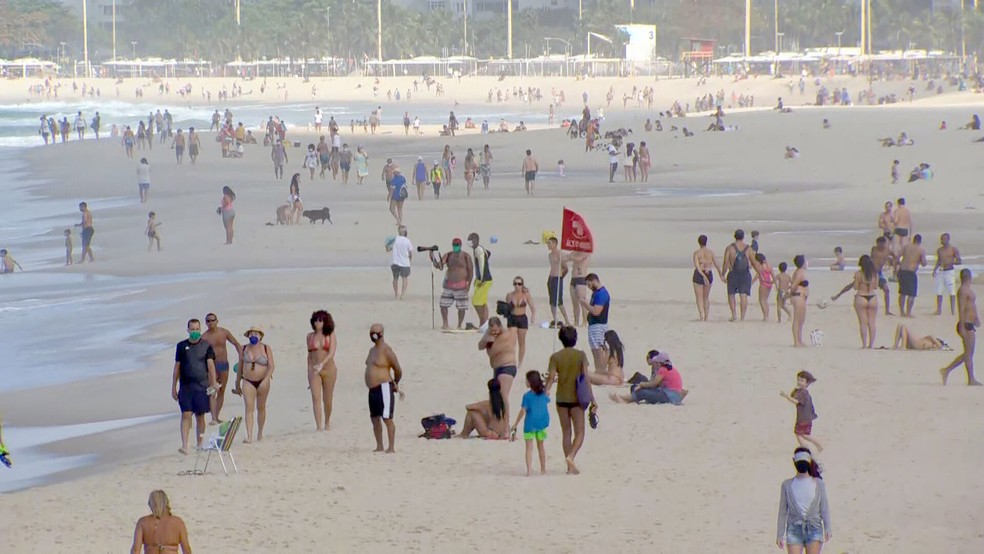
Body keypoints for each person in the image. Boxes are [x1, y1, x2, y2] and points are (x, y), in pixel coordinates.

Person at [545, 326, 596, 475]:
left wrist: (546, 390)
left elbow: (552, 376)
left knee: (566, 432)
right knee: (580, 432)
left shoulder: (555, 357)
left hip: (561, 398)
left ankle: (569, 467)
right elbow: (586, 377)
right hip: (576, 398)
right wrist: (592, 399)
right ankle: (571, 456)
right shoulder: (580, 355)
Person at [172, 318, 217, 454]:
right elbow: (177, 367)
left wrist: (213, 384)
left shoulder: (206, 346)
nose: (195, 332)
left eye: (197, 329)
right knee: (186, 414)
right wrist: (173, 386)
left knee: (200, 416)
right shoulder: (181, 346)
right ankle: (185, 445)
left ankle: (200, 444)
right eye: (192, 329)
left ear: (200, 330)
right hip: (186, 386)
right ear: (188, 330)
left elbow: (210, 366)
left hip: (201, 386)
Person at [776, 448, 832, 553]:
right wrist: (780, 534)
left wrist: (828, 527)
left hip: (814, 528)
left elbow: (824, 507)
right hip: (794, 530)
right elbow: (782, 511)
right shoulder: (786, 485)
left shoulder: (819, 483)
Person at [364, 324, 404, 452]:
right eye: (371, 333)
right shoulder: (371, 350)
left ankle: (391, 447)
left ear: (381, 333)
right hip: (372, 390)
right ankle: (379, 445)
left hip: (384, 387)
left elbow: (397, 369)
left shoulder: (387, 351)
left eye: (375, 333)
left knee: (387, 418)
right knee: (374, 418)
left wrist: (395, 382)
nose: (373, 335)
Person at [940, 269, 981, 386]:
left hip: (970, 323)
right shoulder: (963, 290)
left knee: (969, 353)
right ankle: (967, 378)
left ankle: (949, 371)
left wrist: (976, 318)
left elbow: (971, 306)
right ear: (969, 277)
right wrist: (962, 326)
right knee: (968, 353)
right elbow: (961, 308)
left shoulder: (968, 290)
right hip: (966, 323)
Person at [235, 326, 275, 443]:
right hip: (248, 381)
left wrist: (266, 380)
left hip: (263, 380)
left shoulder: (266, 349)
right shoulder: (243, 349)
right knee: (249, 408)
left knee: (261, 408)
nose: (253, 336)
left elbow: (271, 366)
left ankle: (260, 432)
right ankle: (249, 435)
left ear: (260, 336)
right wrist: (237, 383)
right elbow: (240, 367)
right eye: (251, 334)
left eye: (256, 334)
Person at [831, 255, 879, 349]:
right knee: (872, 322)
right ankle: (871, 345)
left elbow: (855, 287)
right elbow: (876, 286)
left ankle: (864, 344)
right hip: (872, 297)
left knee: (863, 322)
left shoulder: (858, 274)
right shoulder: (874, 274)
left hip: (861, 297)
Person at [202, 313, 241, 425]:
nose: (210, 323)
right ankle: (213, 418)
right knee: (213, 390)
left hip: (223, 364)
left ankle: (216, 416)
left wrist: (241, 358)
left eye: (212, 320)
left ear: (217, 321)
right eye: (208, 321)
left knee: (222, 391)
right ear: (206, 323)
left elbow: (236, 343)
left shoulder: (224, 332)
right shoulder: (204, 337)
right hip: (211, 367)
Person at [510, 371, 550, 476]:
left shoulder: (527, 396)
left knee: (529, 447)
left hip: (530, 424)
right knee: (541, 446)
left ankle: (529, 471)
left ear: (530, 382)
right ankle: (543, 469)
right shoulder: (543, 393)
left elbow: (523, 410)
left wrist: (515, 424)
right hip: (541, 423)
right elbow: (547, 399)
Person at [610, 350, 687, 405]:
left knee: (642, 392)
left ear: (660, 363)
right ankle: (628, 399)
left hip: (669, 396)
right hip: (671, 395)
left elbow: (654, 383)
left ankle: (624, 399)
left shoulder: (663, 370)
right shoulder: (670, 369)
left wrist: (641, 384)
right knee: (638, 388)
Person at [478, 316, 518, 421]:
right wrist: (487, 338)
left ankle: (506, 424)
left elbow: (493, 352)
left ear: (500, 326)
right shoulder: (489, 334)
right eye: (492, 331)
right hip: (496, 368)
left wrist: (491, 340)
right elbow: (480, 346)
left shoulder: (505, 335)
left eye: (496, 330)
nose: (494, 332)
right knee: (494, 397)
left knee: (503, 396)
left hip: (507, 367)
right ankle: (497, 423)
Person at [307, 310, 338, 431]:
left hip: (328, 369)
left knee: (327, 398)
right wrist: (309, 371)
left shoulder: (330, 335)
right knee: (315, 397)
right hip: (314, 370)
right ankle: (318, 425)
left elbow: (331, 353)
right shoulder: (310, 336)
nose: (317, 323)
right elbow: (309, 356)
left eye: (320, 320)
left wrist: (322, 363)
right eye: (315, 320)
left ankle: (327, 421)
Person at [780, 370, 823, 452]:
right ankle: (816, 445)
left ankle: (807, 448)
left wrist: (785, 396)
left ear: (807, 383)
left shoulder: (804, 393)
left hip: (803, 418)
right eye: (798, 380)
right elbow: (794, 396)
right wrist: (795, 390)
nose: (799, 382)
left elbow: (795, 401)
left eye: (802, 380)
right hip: (805, 418)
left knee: (800, 434)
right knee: (803, 435)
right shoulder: (801, 391)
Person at [435, 238, 473, 329]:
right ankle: (445, 323)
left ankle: (459, 325)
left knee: (461, 307)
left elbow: (471, 271)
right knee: (443, 304)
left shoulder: (466, 256)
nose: (455, 246)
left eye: (457, 245)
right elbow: (439, 266)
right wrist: (434, 259)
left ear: (460, 245)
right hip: (449, 284)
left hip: (462, 285)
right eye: (454, 245)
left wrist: (469, 284)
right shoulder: (448, 255)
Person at [578, 273, 611, 375]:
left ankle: (600, 370)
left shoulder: (601, 294)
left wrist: (584, 303)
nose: (589, 287)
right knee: (595, 349)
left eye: (589, 285)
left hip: (598, 325)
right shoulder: (596, 293)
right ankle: (599, 369)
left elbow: (596, 311)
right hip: (594, 325)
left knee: (598, 350)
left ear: (594, 281)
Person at [722, 229, 753, 322]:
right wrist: (760, 272)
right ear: (743, 237)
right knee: (743, 295)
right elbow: (753, 262)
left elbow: (725, 263)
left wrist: (722, 274)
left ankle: (734, 314)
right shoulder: (748, 248)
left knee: (731, 294)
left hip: (733, 273)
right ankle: (742, 317)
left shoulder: (730, 248)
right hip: (745, 274)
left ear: (734, 236)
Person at [505, 276, 536, 367]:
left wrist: (533, 316)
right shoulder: (510, 295)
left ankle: (520, 362)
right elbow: (507, 309)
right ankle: (512, 360)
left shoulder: (526, 295)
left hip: (522, 318)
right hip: (512, 318)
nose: (517, 286)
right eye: (515, 284)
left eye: (519, 284)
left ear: (522, 285)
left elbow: (532, 308)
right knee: (512, 342)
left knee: (521, 342)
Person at [692, 234, 721, 321]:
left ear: (699, 242)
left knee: (699, 297)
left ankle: (701, 314)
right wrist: (721, 275)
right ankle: (706, 316)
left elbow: (697, 266)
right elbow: (717, 264)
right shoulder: (710, 253)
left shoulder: (697, 253)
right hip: (708, 273)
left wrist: (702, 275)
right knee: (706, 297)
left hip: (699, 274)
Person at [897, 234, 927, 317]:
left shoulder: (906, 247)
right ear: (920, 241)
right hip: (911, 272)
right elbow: (924, 263)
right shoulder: (921, 250)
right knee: (911, 294)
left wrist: (898, 265)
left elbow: (897, 256)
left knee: (902, 292)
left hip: (902, 270)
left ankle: (902, 312)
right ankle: (908, 312)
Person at [933, 233, 962, 316]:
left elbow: (959, 260)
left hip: (950, 271)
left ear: (948, 239)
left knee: (951, 291)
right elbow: (939, 261)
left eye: (944, 239)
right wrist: (935, 269)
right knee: (939, 290)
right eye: (942, 239)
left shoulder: (953, 249)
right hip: (942, 271)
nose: (943, 241)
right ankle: (938, 310)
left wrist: (951, 262)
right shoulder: (939, 250)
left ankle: (952, 310)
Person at [469, 233, 493, 328]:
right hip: (481, 279)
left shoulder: (478, 250)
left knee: (476, 302)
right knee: (482, 302)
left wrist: (482, 279)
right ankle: (484, 323)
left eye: (471, 240)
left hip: (485, 280)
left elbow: (482, 264)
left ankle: (483, 323)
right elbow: (488, 253)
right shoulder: (479, 249)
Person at [546, 236, 571, 326]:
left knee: (559, 301)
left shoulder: (559, 254)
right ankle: (555, 319)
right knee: (552, 301)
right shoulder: (550, 255)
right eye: (548, 243)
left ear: (555, 244)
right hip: (551, 278)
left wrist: (561, 277)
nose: (548, 245)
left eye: (550, 243)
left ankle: (567, 320)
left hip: (557, 278)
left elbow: (566, 268)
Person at [871, 236, 895, 316]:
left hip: (880, 273)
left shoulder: (887, 250)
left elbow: (895, 256)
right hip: (872, 273)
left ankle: (887, 310)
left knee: (886, 290)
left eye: (882, 244)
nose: (881, 246)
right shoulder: (874, 249)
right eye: (880, 244)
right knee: (869, 291)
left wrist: (891, 262)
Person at [566, 251, 592, 326]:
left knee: (582, 302)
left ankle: (584, 321)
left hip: (581, 278)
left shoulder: (586, 253)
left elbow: (579, 259)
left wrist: (571, 257)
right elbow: (567, 257)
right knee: (575, 303)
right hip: (573, 278)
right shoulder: (574, 252)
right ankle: (576, 321)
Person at [789, 255, 810, 347]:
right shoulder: (799, 273)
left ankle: (799, 340)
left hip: (801, 297)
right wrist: (790, 293)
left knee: (801, 320)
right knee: (797, 320)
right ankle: (796, 342)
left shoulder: (800, 272)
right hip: (798, 296)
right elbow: (793, 285)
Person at [753, 253, 774, 321]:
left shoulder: (760, 267)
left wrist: (752, 282)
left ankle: (765, 316)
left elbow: (758, 276)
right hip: (769, 284)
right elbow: (773, 276)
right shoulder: (769, 266)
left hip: (763, 284)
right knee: (765, 300)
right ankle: (767, 315)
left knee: (761, 300)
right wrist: (774, 284)